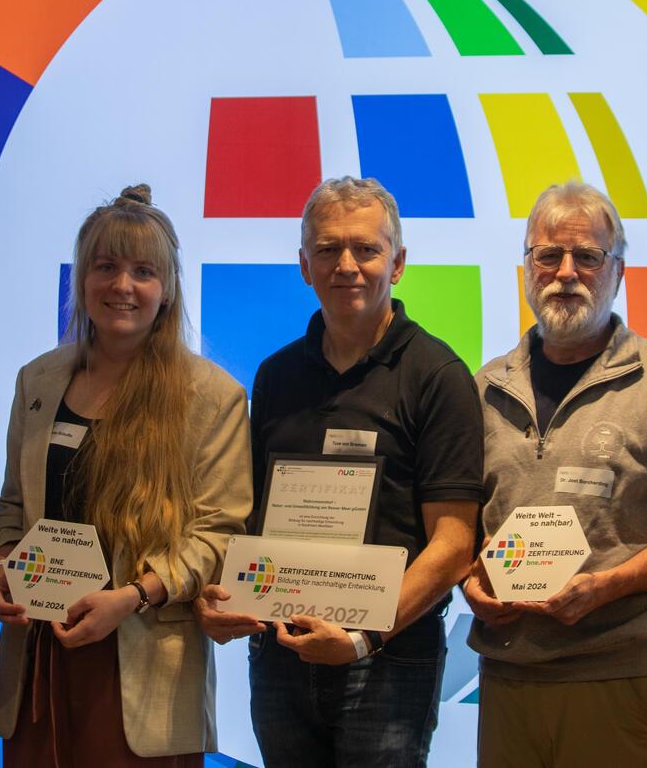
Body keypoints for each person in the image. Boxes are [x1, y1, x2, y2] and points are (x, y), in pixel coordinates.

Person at [195, 176, 482, 768]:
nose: (346, 265)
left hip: (388, 657)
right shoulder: (275, 376)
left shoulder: (438, 375)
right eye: (327, 249)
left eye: (366, 249)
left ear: (398, 264)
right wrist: (221, 597)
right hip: (280, 649)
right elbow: (250, 517)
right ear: (304, 265)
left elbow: (454, 544)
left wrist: (361, 637)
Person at [462, 180, 647, 768]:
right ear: (525, 268)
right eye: (548, 255)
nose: (565, 272)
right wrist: (468, 581)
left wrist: (607, 586)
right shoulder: (486, 388)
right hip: (508, 677)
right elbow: (461, 520)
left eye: (587, 257)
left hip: (620, 680)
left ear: (618, 271)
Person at [0, 184, 252, 766]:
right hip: (40, 656)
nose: (122, 286)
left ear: (167, 289)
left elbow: (219, 534)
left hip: (145, 660)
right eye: (105, 267)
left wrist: (130, 597)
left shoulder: (212, 396)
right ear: (82, 278)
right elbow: (9, 507)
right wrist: (6, 570)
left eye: (142, 271)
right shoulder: (37, 382)